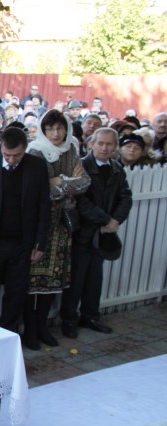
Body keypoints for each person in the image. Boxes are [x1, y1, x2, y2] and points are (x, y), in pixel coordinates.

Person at [21, 110, 90, 349]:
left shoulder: (71, 148)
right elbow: (40, 189)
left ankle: (42, 327)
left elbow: (84, 182)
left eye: (60, 128)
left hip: (62, 224)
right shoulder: (35, 151)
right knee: (31, 280)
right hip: (39, 222)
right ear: (43, 129)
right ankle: (29, 329)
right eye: (50, 128)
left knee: (53, 281)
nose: (56, 133)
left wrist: (59, 181)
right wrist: (65, 181)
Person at [0, 127, 50, 335]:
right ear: (1, 147)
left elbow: (44, 206)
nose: (12, 159)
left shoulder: (37, 166)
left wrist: (40, 243)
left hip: (22, 243)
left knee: (16, 294)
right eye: (7, 155)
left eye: (17, 155)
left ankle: (9, 335)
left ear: (25, 149)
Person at [61, 128, 132, 338]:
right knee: (76, 279)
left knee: (95, 279)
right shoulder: (80, 166)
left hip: (103, 235)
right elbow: (81, 202)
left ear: (115, 147)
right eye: (100, 143)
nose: (104, 148)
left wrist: (115, 221)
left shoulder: (117, 169)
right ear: (91, 143)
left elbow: (125, 197)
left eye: (109, 144)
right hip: (83, 233)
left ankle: (90, 316)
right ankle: (69, 319)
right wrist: (105, 219)